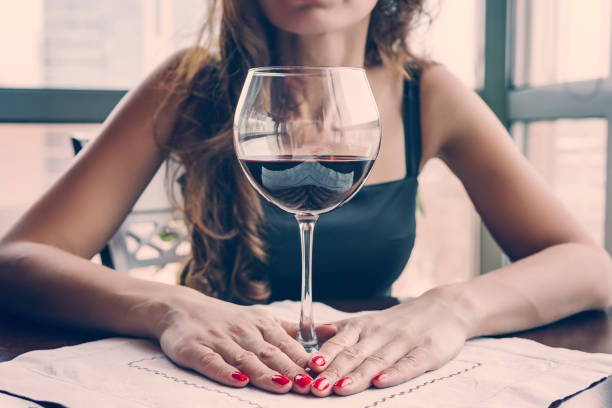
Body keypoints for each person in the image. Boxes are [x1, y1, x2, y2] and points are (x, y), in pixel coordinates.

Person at [0, 0, 610, 398]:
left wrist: (453, 308)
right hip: (216, 385)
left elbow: (589, 267)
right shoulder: (190, 84)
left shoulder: (426, 93)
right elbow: (19, 257)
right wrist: (168, 308)